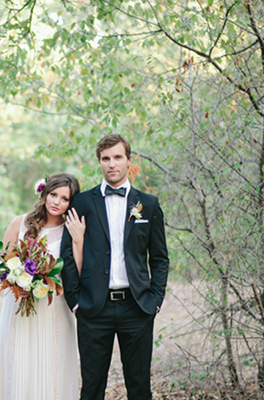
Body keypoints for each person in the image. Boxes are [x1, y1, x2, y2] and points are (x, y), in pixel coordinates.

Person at [61, 134, 169, 400]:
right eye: (106, 158)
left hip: (137, 306)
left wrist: (155, 301)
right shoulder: (82, 203)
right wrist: (75, 301)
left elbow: (159, 258)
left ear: (129, 160)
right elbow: (67, 255)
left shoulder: (148, 205)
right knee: (91, 389)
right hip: (93, 308)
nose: (112, 164)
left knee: (140, 388)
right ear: (99, 162)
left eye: (118, 157)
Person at [0, 172, 82, 400]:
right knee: (18, 364)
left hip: (53, 309)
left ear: (71, 203)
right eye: (53, 194)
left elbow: (79, 273)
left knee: (51, 369)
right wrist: (17, 284)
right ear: (44, 193)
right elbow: (3, 265)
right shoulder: (19, 223)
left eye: (65, 198)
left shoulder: (70, 231)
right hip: (18, 307)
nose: (57, 202)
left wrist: (79, 240)